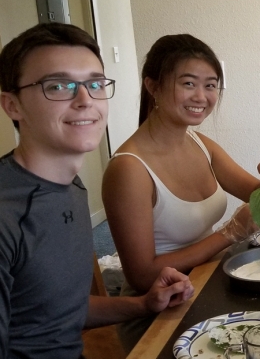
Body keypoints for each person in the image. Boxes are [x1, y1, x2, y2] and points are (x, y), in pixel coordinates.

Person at [0, 22, 195, 358]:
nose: (85, 99)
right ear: (12, 105)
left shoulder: (70, 188)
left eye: (94, 83)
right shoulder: (8, 212)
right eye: (58, 85)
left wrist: (143, 303)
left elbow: (56, 308)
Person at [101, 34, 260, 350]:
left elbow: (255, 193)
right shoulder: (129, 168)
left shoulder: (200, 144)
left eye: (211, 85)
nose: (202, 96)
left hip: (207, 280)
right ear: (153, 87)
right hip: (161, 310)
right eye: (188, 84)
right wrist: (229, 234)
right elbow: (143, 276)